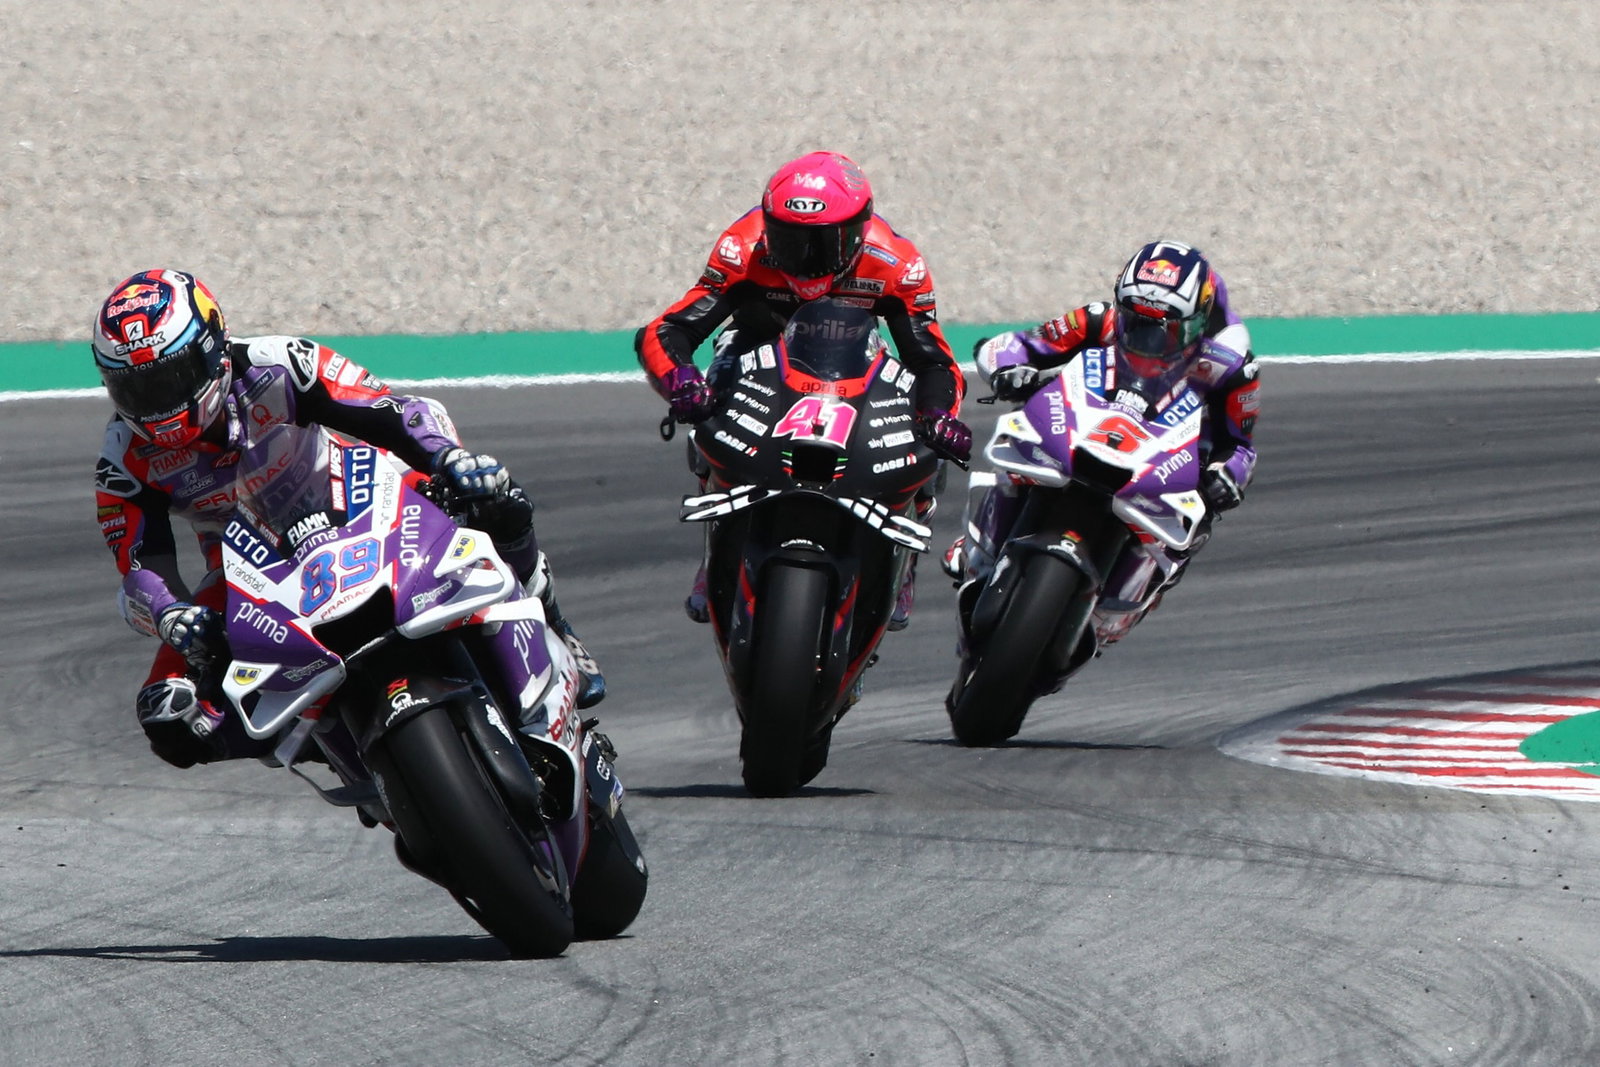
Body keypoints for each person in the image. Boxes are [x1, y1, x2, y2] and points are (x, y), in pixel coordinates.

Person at [92, 268, 604, 769]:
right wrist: (170, 614)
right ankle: (327, 743)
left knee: (496, 498)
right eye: (137, 391)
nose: (158, 406)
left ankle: (554, 620)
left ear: (213, 350)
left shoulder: (280, 364)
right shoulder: (122, 459)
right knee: (168, 720)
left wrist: (449, 459)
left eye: (170, 380)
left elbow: (390, 410)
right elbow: (140, 565)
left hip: (361, 497)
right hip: (247, 568)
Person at [636, 150, 972, 626]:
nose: (803, 257)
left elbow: (933, 360)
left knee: (925, 440)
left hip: (855, 358)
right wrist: (681, 383)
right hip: (756, 345)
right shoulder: (743, 247)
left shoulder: (896, 263)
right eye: (788, 240)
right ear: (769, 226)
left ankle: (904, 555)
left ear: (859, 229)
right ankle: (717, 544)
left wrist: (937, 415)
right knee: (705, 420)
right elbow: (666, 331)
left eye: (824, 243)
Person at [953, 238, 1259, 644]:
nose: (1147, 338)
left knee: (1199, 517)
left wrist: (1225, 476)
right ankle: (983, 540)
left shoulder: (1229, 365)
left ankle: (1129, 602)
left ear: (1197, 322)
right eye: (1136, 320)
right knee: (1020, 421)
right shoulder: (1100, 319)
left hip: (1168, 446)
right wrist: (1009, 371)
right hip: (1088, 423)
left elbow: (1240, 446)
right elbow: (1015, 345)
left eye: (1164, 330)